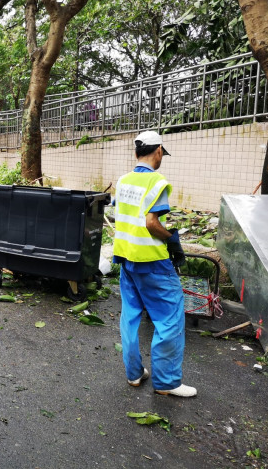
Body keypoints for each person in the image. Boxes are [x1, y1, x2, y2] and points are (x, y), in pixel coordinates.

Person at [113, 130, 195, 398]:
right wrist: (171, 239)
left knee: (130, 317)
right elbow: (150, 223)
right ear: (158, 150)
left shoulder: (123, 180)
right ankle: (167, 382)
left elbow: (121, 213)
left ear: (136, 152)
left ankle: (134, 374)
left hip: (127, 262)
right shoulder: (157, 182)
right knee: (169, 319)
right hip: (153, 263)